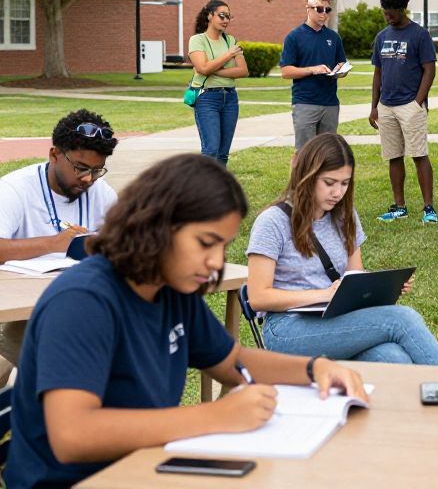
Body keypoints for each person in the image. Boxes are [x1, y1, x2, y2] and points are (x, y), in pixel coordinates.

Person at [5, 154, 366, 489]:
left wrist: (314, 368)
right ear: (156, 227)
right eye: (206, 243)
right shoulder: (84, 302)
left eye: (223, 247)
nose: (215, 262)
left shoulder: (170, 288)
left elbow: (229, 361)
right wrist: (217, 415)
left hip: (147, 467)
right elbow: (73, 436)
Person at [246, 133, 438, 365]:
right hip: (287, 328)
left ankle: (429, 398)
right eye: (329, 183)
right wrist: (324, 294)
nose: (337, 193)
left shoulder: (345, 216)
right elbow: (258, 297)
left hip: (337, 320)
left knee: (394, 358)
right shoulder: (272, 222)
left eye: (345, 183)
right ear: (307, 176)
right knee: (402, 319)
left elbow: (354, 278)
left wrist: (384, 286)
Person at [0, 109, 119, 385]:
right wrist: (54, 243)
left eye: (96, 170)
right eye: (80, 168)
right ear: (54, 155)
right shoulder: (15, 189)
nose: (88, 179)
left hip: (80, 308)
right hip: (22, 312)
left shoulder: (102, 194)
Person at [368, 0, 438, 224]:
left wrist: (417, 102)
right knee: (394, 156)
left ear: (403, 8)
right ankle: (400, 207)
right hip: (386, 106)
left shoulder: (419, 34)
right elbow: (377, 73)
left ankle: (428, 208)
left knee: (419, 155)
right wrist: (374, 106)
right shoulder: (382, 37)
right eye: (384, 11)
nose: (387, 16)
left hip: (410, 105)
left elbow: (429, 69)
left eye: (391, 12)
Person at [280, 0, 350, 152]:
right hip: (305, 103)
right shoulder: (294, 37)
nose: (323, 13)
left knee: (327, 152)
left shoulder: (334, 37)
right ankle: (300, 179)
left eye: (327, 10)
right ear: (308, 9)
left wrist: (341, 70)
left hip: (330, 103)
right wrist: (312, 70)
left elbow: (342, 63)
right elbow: (286, 71)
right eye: (319, 9)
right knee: (304, 153)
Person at [188, 0, 248, 164]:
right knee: (211, 149)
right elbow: (202, 68)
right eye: (222, 16)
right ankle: (205, 189)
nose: (226, 20)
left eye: (229, 17)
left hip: (230, 98)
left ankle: (219, 188)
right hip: (207, 98)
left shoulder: (230, 40)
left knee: (223, 153)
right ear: (209, 16)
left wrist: (213, 69)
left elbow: (243, 71)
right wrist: (228, 55)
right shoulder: (197, 40)